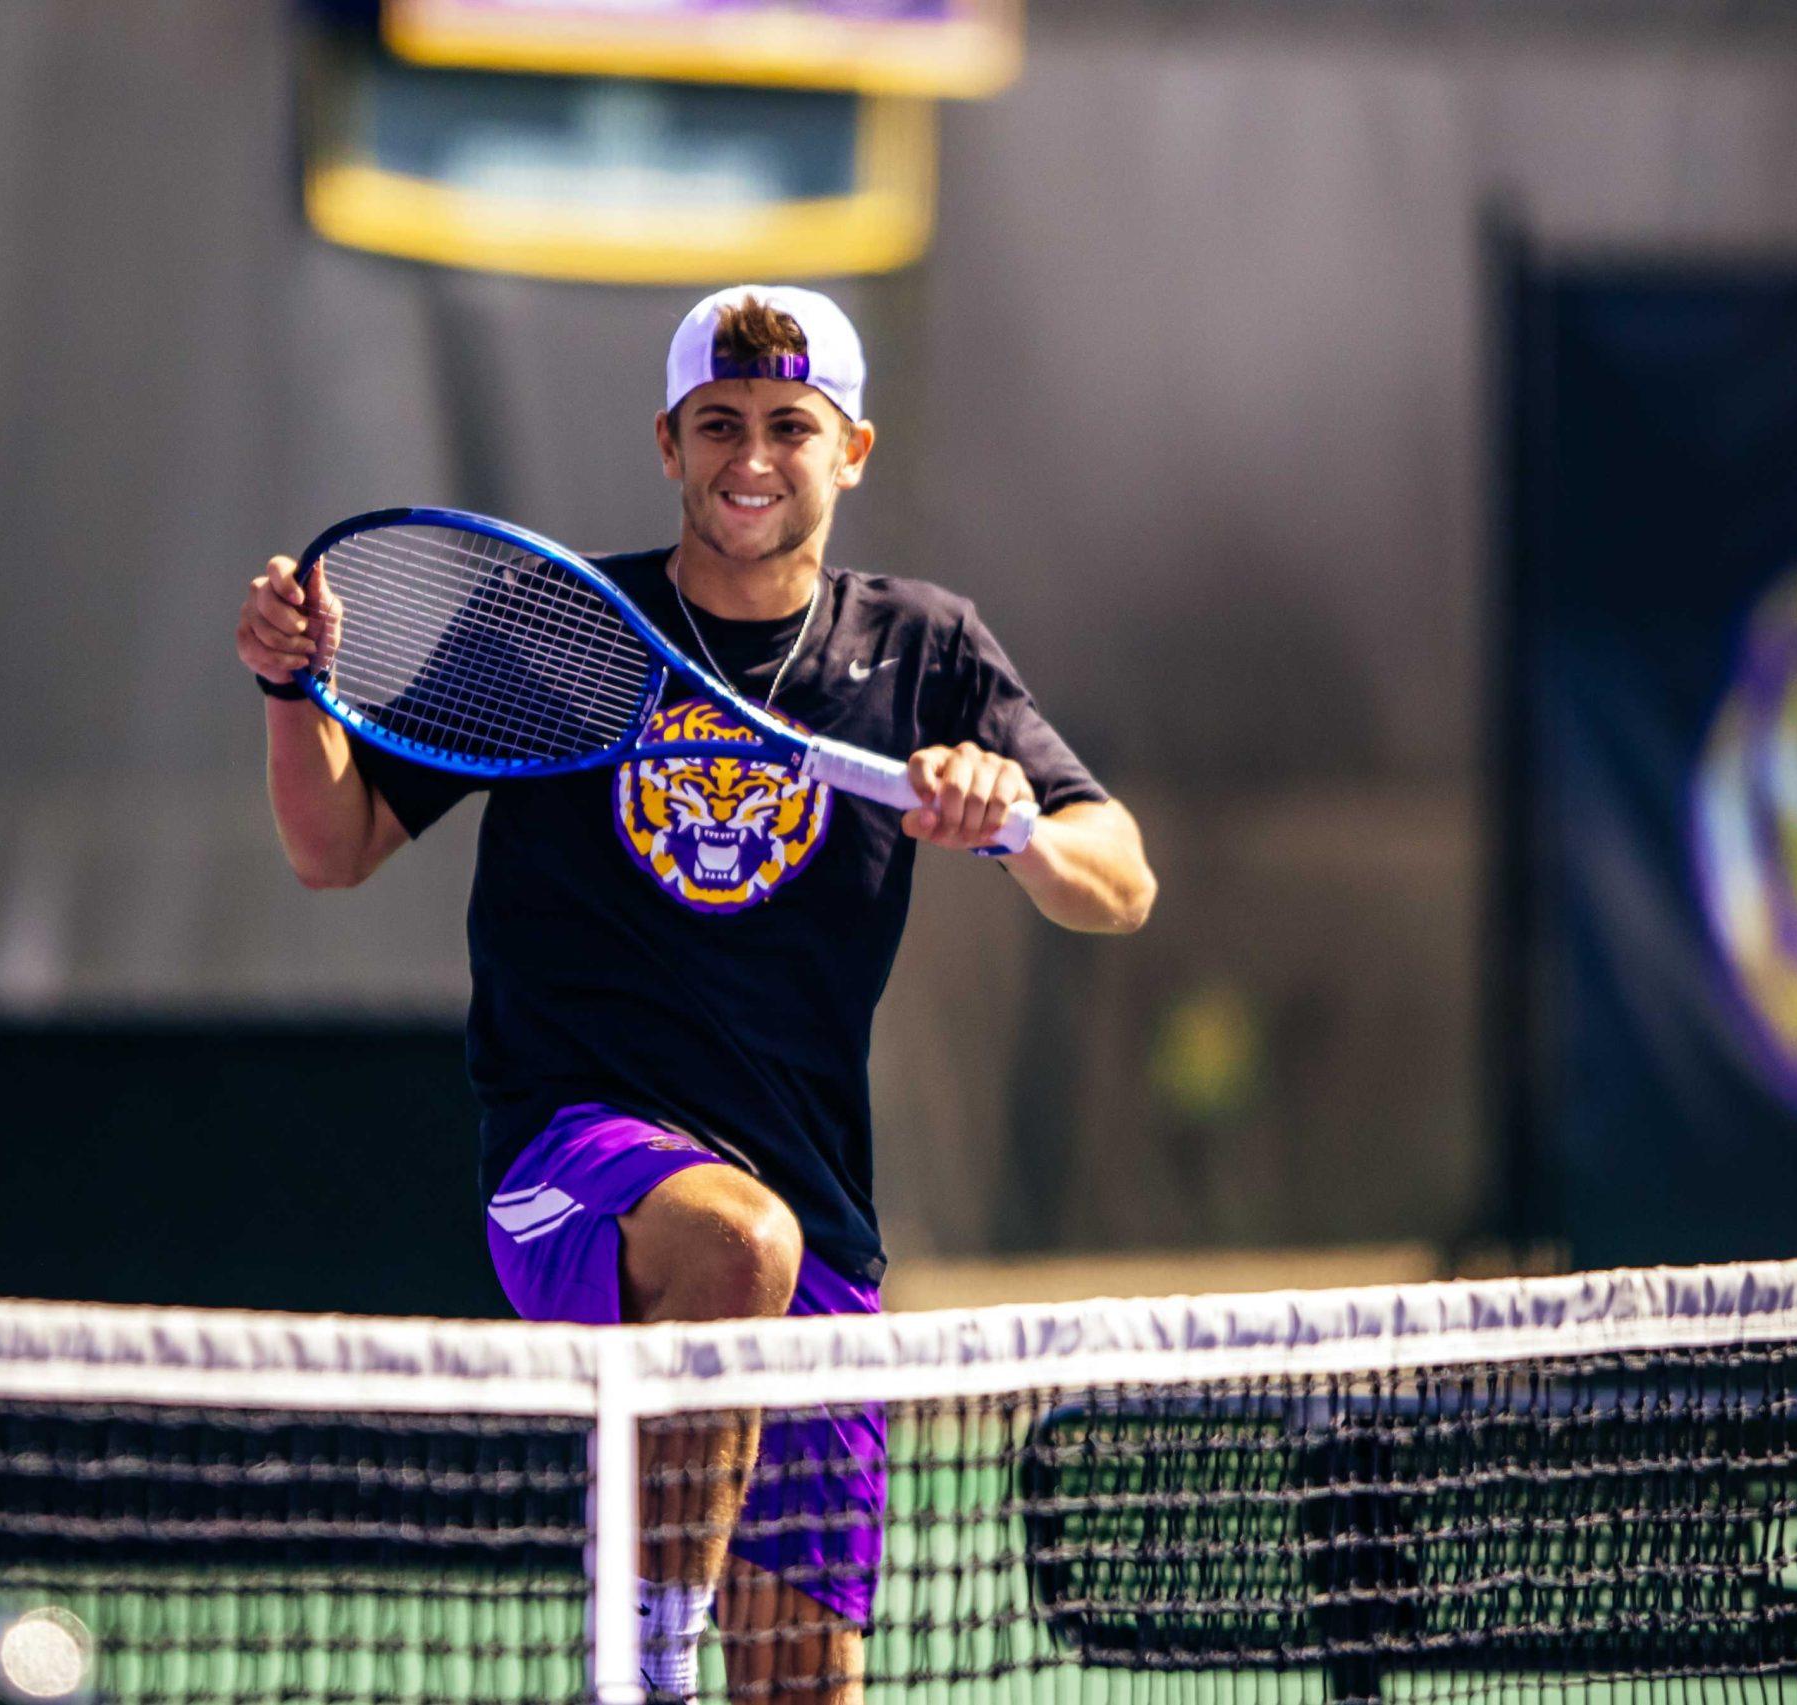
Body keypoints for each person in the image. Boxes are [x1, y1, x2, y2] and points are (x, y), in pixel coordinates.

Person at [234, 285, 1155, 1703]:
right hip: (577, 1164)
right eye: (718, 424)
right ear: (668, 444)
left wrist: (1015, 816)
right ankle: (642, 1666)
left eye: (791, 426)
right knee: (736, 1244)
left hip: (821, 1224)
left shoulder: (924, 653)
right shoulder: (561, 630)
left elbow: (1123, 878)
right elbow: (332, 844)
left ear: (850, 449)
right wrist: (296, 690)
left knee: (804, 1682)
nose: (751, 456)